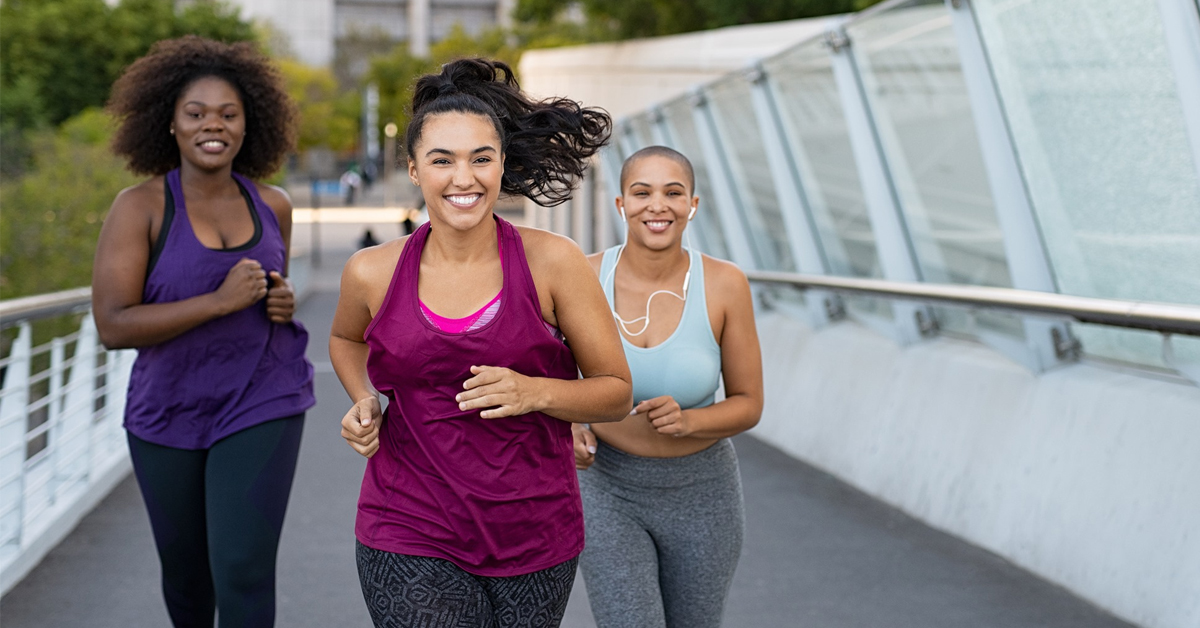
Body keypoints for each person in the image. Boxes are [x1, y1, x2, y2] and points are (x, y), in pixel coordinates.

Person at [329, 58, 633, 627]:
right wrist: (362, 398)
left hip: (534, 530)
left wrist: (533, 392)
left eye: (481, 158)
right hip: (407, 522)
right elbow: (347, 339)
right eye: (442, 160)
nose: (462, 178)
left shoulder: (553, 263)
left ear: (501, 166)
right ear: (415, 170)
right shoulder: (371, 271)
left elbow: (615, 392)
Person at [92, 36, 314, 627]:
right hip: (169, 409)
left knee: (243, 569)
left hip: (262, 399)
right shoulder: (138, 207)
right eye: (195, 113)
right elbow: (113, 325)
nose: (211, 125)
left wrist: (280, 301)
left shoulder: (274, 204)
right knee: (188, 582)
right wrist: (217, 302)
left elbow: (270, 290)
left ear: (249, 124)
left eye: (228, 114)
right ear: (169, 123)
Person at [573, 146, 764, 628]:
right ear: (620, 205)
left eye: (673, 193)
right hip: (606, 489)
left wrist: (690, 420)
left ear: (692, 205)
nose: (657, 206)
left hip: (703, 492)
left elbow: (749, 404)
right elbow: (550, 373)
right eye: (642, 193)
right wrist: (571, 424)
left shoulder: (725, 284)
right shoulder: (583, 277)